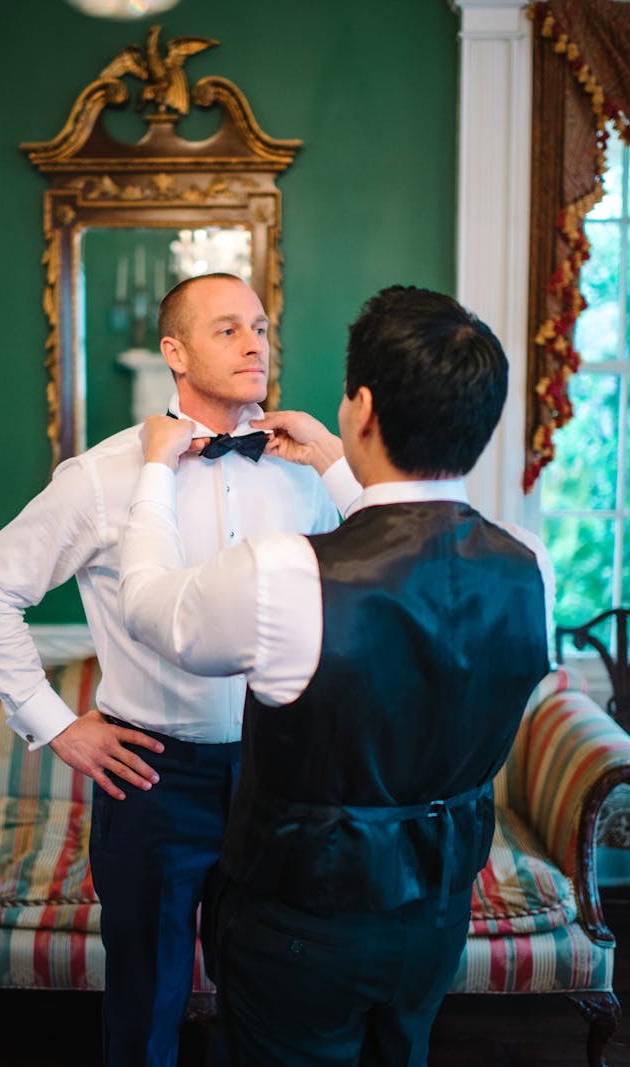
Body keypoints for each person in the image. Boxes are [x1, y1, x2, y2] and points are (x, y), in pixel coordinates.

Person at [118, 285, 552, 1067]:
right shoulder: (532, 567)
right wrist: (332, 459)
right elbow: (405, 529)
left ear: (361, 408)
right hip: (439, 916)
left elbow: (151, 609)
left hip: (300, 930)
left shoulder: (285, 570)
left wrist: (153, 472)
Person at [0, 272, 360, 1067]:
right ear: (173, 351)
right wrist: (56, 723)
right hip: (151, 780)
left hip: (279, 776)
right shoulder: (101, 478)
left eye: (260, 326)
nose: (254, 342)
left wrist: (339, 466)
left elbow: (393, 560)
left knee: (279, 1003)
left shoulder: (303, 469)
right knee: (146, 1006)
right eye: (226, 329)